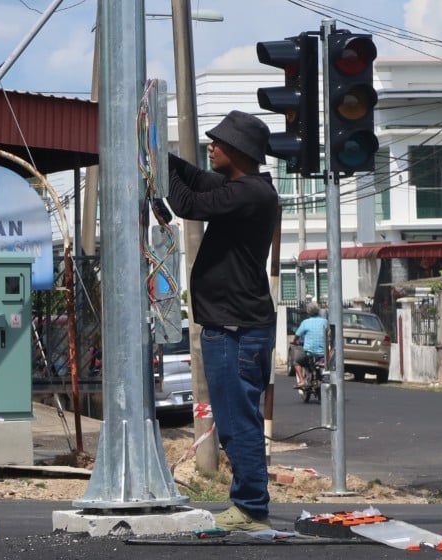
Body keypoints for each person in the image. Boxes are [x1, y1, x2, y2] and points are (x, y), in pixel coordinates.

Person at [166, 110, 278, 532]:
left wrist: (162, 169)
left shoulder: (249, 194)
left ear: (240, 151)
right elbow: (196, 179)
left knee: (236, 421)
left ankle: (249, 509)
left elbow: (188, 203)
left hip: (236, 330)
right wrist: (163, 159)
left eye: (218, 143)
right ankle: (249, 505)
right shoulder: (245, 189)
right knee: (236, 419)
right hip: (235, 326)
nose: (211, 147)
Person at [293, 302, 329, 387]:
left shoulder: (305, 322)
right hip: (323, 354)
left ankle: (302, 381)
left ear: (308, 311)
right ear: (318, 311)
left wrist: (294, 341)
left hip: (310, 353)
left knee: (296, 361)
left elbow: (297, 335)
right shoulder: (325, 322)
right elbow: (329, 334)